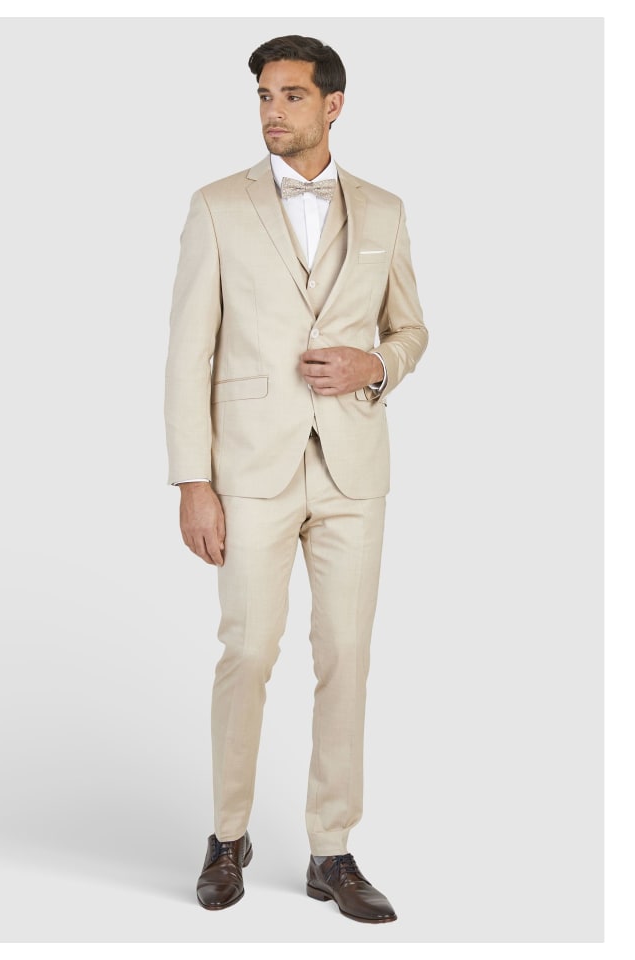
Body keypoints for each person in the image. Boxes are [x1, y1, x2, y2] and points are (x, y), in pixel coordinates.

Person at [164, 35, 428, 924]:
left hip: (353, 469)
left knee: (346, 655)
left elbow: (412, 330)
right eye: (263, 96)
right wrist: (193, 482)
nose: (272, 111)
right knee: (247, 649)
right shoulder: (216, 206)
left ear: (333, 105)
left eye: (290, 95)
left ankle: (331, 849)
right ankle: (227, 835)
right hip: (249, 470)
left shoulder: (384, 209)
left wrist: (374, 365)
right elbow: (188, 352)